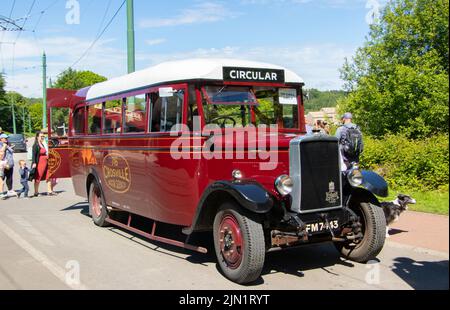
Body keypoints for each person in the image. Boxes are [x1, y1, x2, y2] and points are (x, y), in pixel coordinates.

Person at [31, 131, 56, 197]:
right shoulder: (35, 145)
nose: (42, 137)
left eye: (43, 136)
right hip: (40, 163)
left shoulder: (43, 144)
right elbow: (34, 155)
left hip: (46, 162)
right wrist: (34, 163)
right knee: (38, 177)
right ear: (37, 137)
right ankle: (36, 192)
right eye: (41, 136)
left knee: (49, 176)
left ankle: (49, 191)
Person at [0, 134, 17, 199]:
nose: (6, 139)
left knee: (9, 178)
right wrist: (4, 147)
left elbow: (11, 152)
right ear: (1, 139)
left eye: (7, 138)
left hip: (10, 164)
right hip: (3, 165)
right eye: (5, 138)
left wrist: (11, 147)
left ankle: (10, 190)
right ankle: (1, 192)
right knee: (2, 179)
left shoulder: (8, 144)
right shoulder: (1, 145)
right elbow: (1, 154)